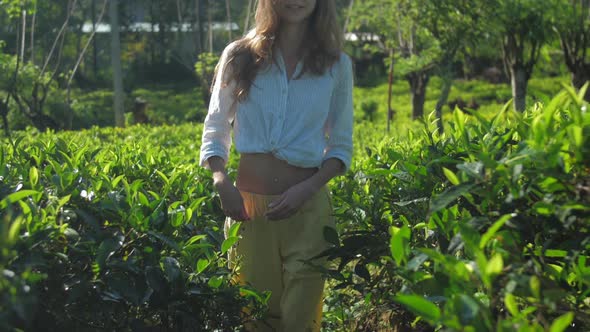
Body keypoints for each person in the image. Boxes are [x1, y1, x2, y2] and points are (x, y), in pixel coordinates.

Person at [199, 0, 353, 330]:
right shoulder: (239, 55)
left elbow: (340, 148)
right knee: (255, 320)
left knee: (301, 321)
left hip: (308, 211)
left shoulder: (336, 64)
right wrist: (220, 179)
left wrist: (307, 189)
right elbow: (215, 126)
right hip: (250, 212)